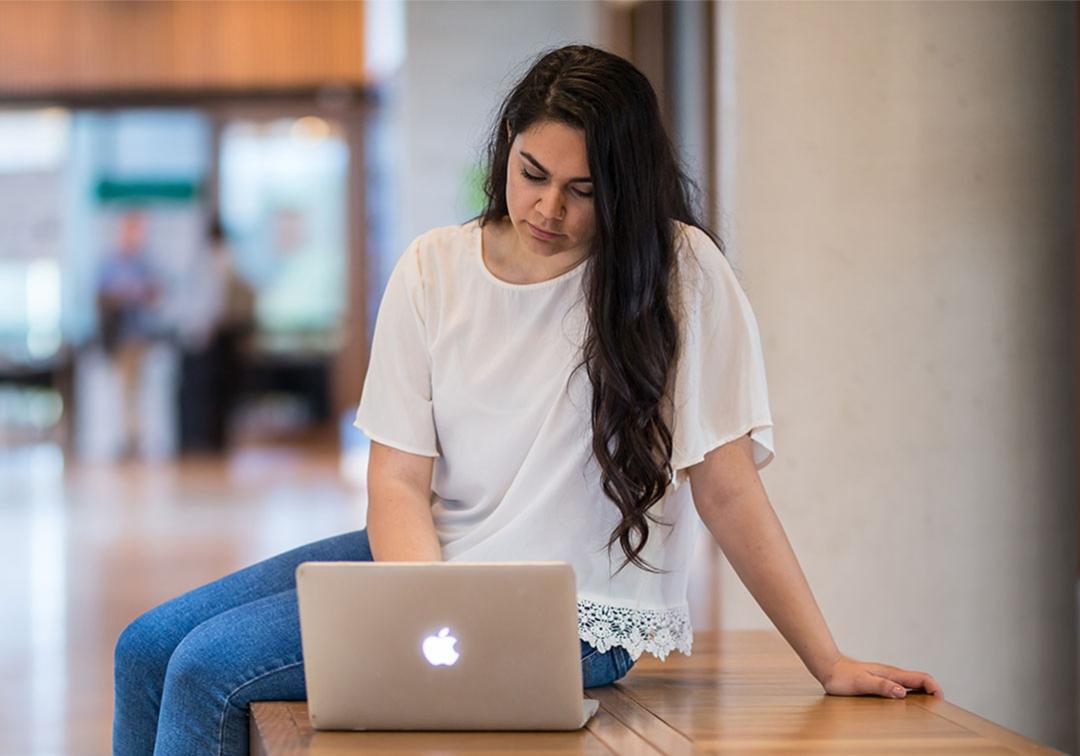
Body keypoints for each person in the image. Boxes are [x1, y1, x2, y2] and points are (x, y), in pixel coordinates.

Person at [112, 45, 942, 755]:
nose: (548, 208)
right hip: (430, 565)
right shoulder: (434, 267)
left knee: (207, 670)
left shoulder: (679, 274)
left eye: (583, 190)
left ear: (625, 187)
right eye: (532, 174)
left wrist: (826, 660)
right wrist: (425, 609)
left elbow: (726, 485)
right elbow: (397, 484)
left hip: (570, 613)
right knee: (146, 646)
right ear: (504, 150)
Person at [96, 209, 162, 460]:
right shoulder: (111, 263)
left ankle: (135, 439)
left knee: (138, 389)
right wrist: (126, 294)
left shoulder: (144, 263)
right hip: (119, 336)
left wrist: (142, 293)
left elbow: (157, 293)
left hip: (140, 336)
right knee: (124, 389)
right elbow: (103, 295)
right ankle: (126, 439)